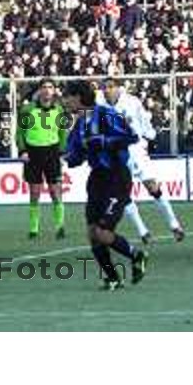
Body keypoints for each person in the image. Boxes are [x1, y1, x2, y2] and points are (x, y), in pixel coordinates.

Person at [64, 80, 148, 290]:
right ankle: (112, 278)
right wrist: (72, 156)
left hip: (116, 177)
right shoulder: (79, 124)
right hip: (97, 179)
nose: (65, 101)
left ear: (78, 97)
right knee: (92, 233)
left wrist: (102, 141)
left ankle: (136, 255)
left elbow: (131, 136)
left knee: (103, 231)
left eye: (68, 96)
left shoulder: (106, 114)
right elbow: (74, 158)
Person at [100, 77, 184, 243]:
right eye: (104, 87)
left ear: (118, 88)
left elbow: (144, 120)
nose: (107, 90)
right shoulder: (101, 107)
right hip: (116, 152)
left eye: (110, 87)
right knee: (123, 192)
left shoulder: (132, 102)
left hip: (135, 149)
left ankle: (174, 224)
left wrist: (150, 135)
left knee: (152, 186)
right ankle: (142, 231)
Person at [15, 78, 67, 240]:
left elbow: (63, 133)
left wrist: (62, 152)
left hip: (52, 152)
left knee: (55, 191)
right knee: (35, 192)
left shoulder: (59, 110)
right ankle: (33, 229)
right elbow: (20, 132)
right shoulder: (28, 109)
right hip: (33, 153)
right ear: (39, 90)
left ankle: (60, 227)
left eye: (50, 87)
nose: (47, 90)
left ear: (54, 91)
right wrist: (22, 150)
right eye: (44, 87)